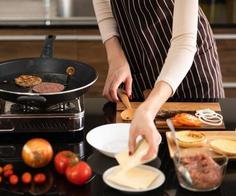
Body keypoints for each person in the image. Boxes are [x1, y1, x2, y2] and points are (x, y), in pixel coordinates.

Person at [93, 0, 224, 160]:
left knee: (195, 163)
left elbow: (184, 42)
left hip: (191, 72)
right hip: (139, 57)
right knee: (140, 163)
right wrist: (115, 56)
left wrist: (147, 110)